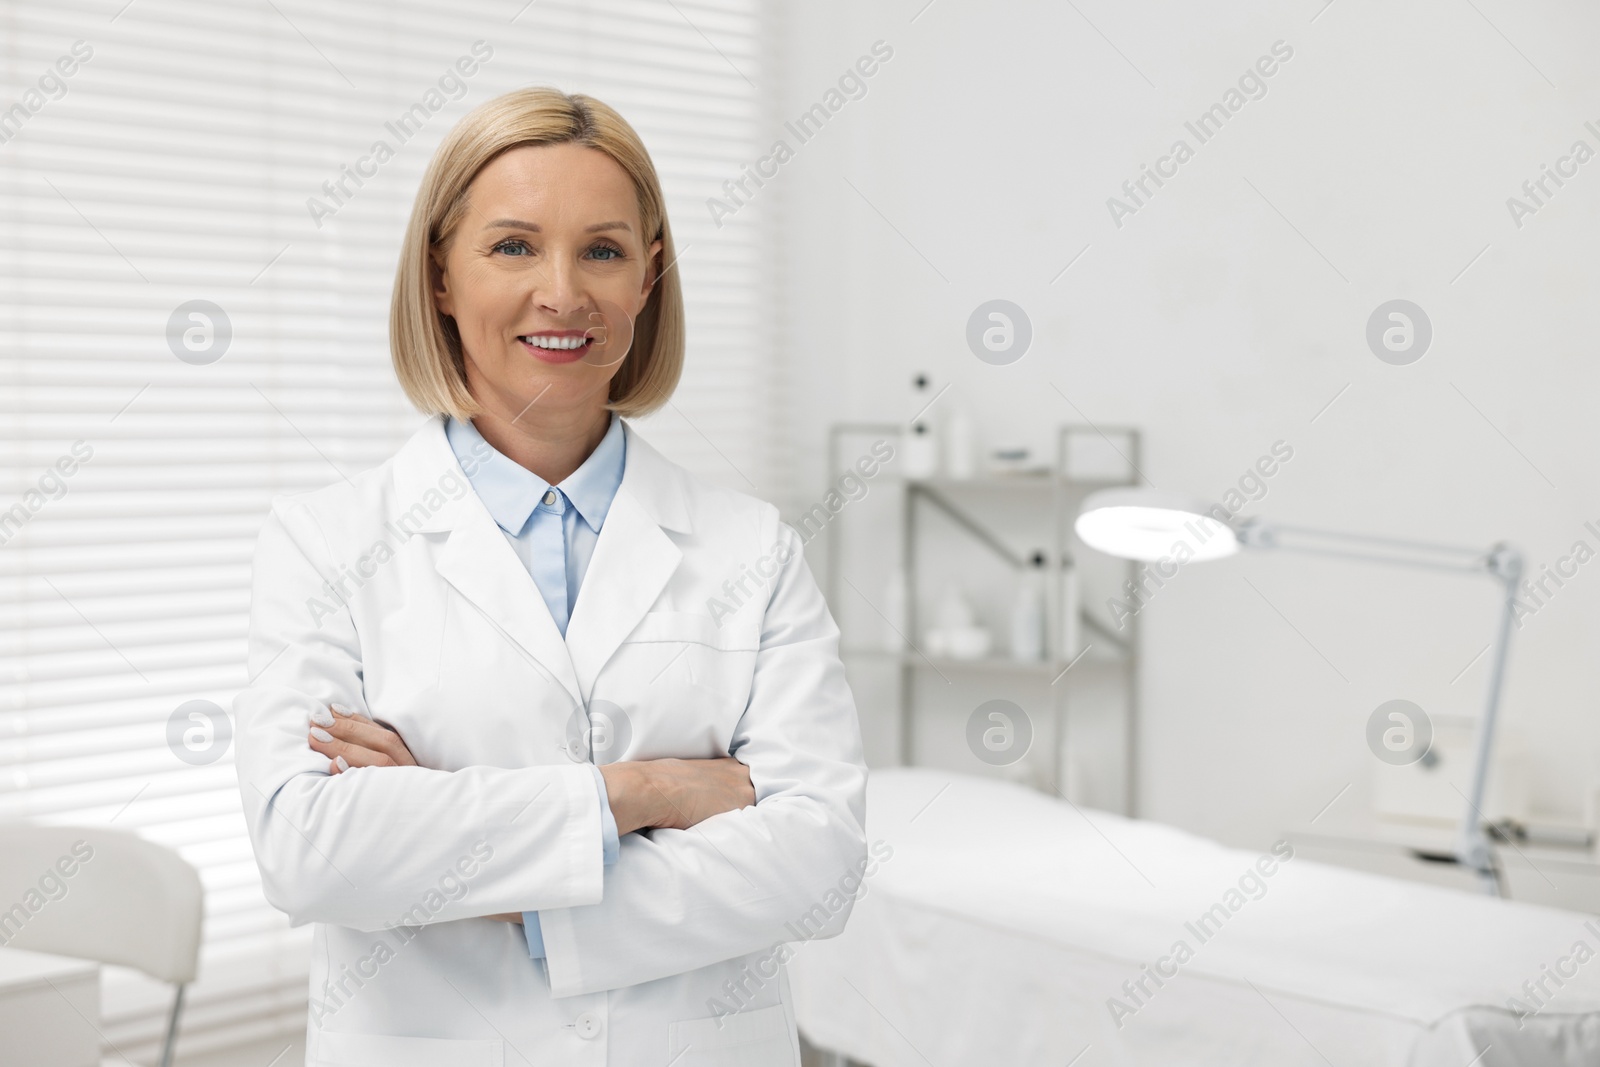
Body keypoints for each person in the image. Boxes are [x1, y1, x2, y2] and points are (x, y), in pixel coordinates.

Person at [233, 86, 868, 1067]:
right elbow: (311, 850)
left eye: (603, 250)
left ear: (648, 278)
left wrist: (471, 857)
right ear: (440, 273)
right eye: (513, 246)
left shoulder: (752, 547)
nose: (563, 291)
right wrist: (648, 786)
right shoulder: (325, 541)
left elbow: (819, 864)